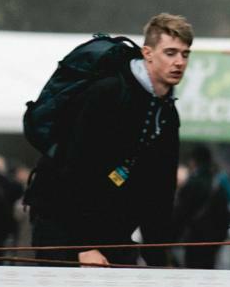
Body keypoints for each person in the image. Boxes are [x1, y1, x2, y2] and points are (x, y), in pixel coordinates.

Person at [24, 13, 190, 267]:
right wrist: (84, 246)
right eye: (170, 53)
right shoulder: (109, 92)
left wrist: (159, 258)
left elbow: (160, 191)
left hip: (112, 228)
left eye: (185, 54)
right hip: (60, 220)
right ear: (147, 53)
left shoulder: (168, 112)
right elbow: (76, 169)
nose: (179, 62)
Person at [171, 143, 230, 269]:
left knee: (192, 273)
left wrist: (172, 238)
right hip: (212, 242)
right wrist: (219, 240)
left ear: (193, 161)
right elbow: (225, 216)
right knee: (208, 272)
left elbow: (181, 213)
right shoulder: (218, 183)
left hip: (193, 239)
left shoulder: (192, 183)